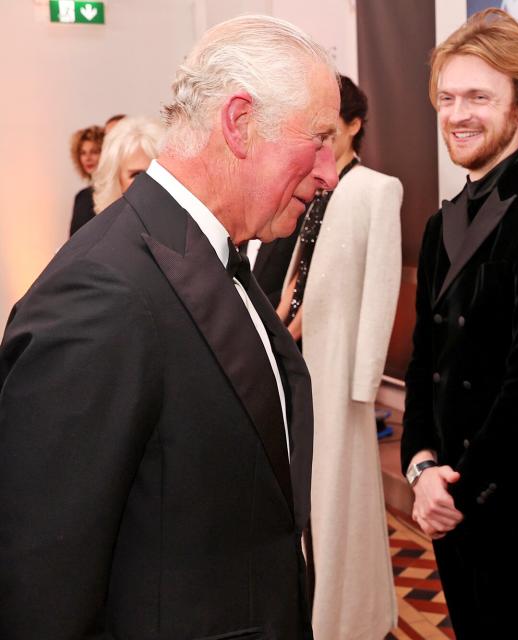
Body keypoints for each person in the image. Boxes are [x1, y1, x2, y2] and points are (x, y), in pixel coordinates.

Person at [0, 14, 339, 639]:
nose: (329, 173)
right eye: (317, 139)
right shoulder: (103, 292)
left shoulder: (208, 253)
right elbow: (42, 589)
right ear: (239, 122)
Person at [400, 9, 518, 639]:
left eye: (479, 97)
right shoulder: (439, 224)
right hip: (451, 501)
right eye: (448, 98)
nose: (458, 114)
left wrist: (453, 489)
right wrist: (419, 467)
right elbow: (424, 360)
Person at [277, 74, 403, 640]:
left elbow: (382, 287)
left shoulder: (378, 188)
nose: (322, 143)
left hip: (341, 367)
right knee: (306, 492)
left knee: (340, 498)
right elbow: (301, 268)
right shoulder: (318, 184)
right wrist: (281, 321)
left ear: (355, 124)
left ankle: (350, 618)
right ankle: (313, 607)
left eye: (332, 128)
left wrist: (364, 381)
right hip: (299, 355)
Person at [91, 116, 164, 214]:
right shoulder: (106, 228)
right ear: (115, 180)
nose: (149, 181)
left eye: (157, 172)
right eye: (137, 174)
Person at [68, 124, 104, 236]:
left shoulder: (115, 192)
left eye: (94, 152)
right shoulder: (81, 197)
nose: (88, 158)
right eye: (83, 153)